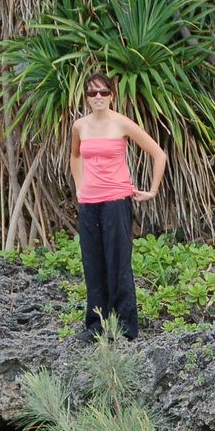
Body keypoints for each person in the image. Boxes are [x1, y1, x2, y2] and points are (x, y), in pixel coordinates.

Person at [69, 72, 167, 342]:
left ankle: (125, 327)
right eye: (92, 93)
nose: (98, 97)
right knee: (93, 263)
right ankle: (96, 325)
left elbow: (159, 154)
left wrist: (153, 189)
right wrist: (80, 187)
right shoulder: (80, 126)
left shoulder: (122, 123)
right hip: (89, 203)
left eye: (103, 92)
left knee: (118, 263)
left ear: (112, 95)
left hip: (116, 201)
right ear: (87, 98)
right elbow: (75, 156)